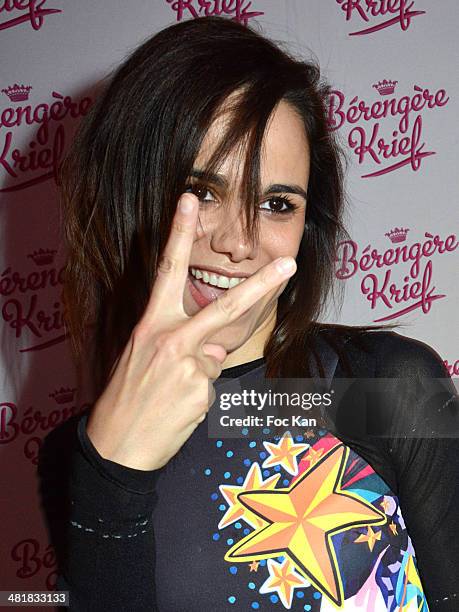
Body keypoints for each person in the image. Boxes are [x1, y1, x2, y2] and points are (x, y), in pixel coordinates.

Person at [38, 16, 458, 612]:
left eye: (276, 203)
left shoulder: (382, 388)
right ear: (129, 194)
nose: (240, 241)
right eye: (202, 191)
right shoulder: (75, 455)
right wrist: (113, 479)